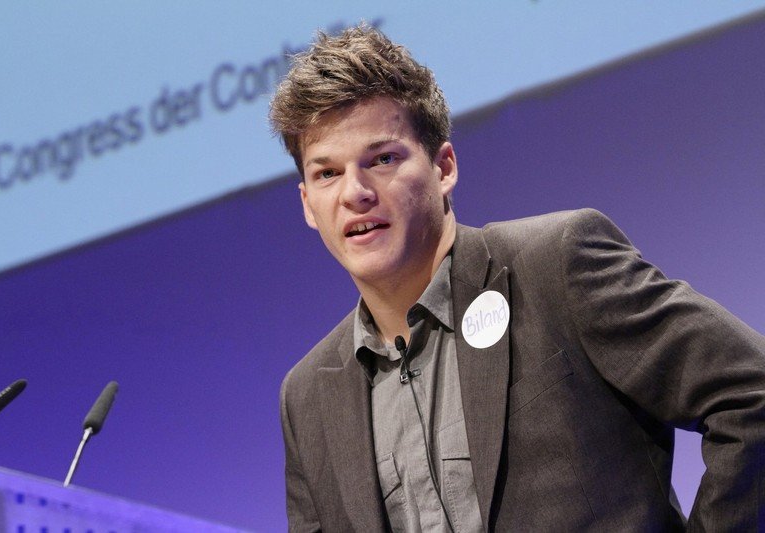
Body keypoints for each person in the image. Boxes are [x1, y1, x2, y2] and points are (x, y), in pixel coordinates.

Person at [269, 24, 765, 531]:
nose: (354, 193)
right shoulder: (307, 397)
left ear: (443, 168)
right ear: (308, 203)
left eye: (382, 159)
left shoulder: (556, 267)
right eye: (327, 173)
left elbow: (753, 393)